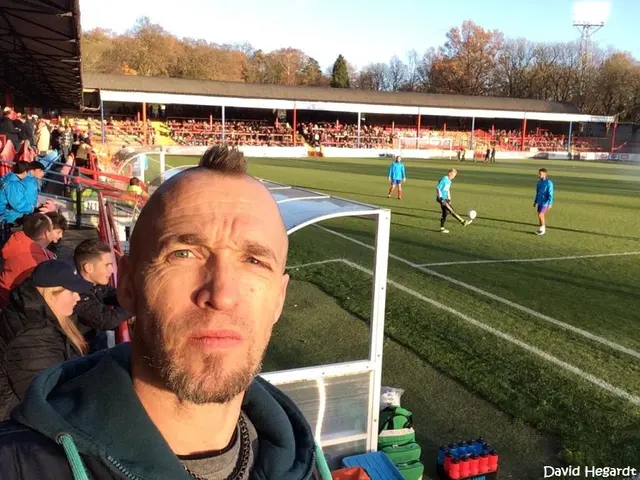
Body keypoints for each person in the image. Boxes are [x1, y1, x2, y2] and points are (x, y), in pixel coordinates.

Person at [0, 145, 317, 480]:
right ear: (128, 287)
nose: (221, 295)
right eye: (183, 254)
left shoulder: (303, 463)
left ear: (279, 299)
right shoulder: (18, 466)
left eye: (254, 261)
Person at [0, 259, 93, 420]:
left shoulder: (33, 313)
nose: (78, 297)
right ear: (51, 295)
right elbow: (48, 398)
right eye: (72, 291)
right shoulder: (32, 337)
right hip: (19, 428)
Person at [73, 238, 132, 352]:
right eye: (107, 265)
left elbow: (112, 294)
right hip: (80, 355)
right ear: (88, 268)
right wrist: (133, 306)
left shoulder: (93, 286)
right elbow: (106, 320)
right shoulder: (76, 294)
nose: (111, 270)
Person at [0, 213, 58, 307]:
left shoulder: (17, 240)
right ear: (47, 233)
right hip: (15, 304)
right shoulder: (36, 261)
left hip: (5, 296)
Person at [436, 168, 471, 234]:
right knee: (451, 210)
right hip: (442, 199)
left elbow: (447, 190)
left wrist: (449, 198)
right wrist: (440, 198)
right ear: (449, 173)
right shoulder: (444, 179)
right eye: (452, 175)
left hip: (445, 198)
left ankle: (442, 228)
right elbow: (438, 188)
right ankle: (463, 222)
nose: (453, 177)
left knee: (445, 213)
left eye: (454, 176)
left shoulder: (449, 181)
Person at [533, 168, 554, 236]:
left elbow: (550, 193)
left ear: (545, 174)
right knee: (539, 215)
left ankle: (543, 230)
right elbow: (537, 192)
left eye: (540, 174)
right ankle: (540, 229)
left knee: (540, 215)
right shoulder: (539, 182)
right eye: (539, 173)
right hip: (540, 201)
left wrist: (550, 203)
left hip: (545, 202)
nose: (539, 175)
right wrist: (535, 201)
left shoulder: (549, 183)